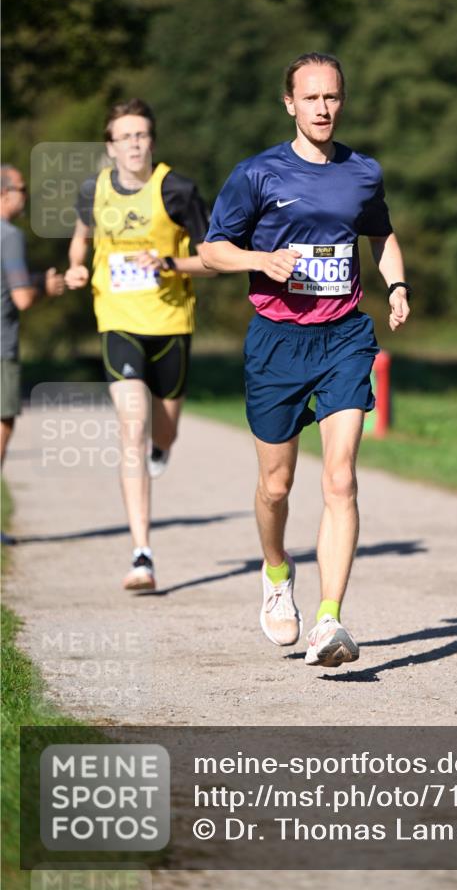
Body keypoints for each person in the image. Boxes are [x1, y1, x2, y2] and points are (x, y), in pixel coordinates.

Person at [200, 52, 410, 668]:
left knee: (340, 476)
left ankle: (329, 620)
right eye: (311, 98)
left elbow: (382, 233)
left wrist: (397, 286)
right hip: (276, 340)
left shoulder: (363, 172)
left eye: (333, 97)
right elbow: (212, 250)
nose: (323, 108)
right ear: (290, 104)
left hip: (344, 335)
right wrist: (259, 261)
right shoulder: (257, 175)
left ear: (342, 102)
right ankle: (274, 571)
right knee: (276, 484)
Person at [65, 99, 214, 588]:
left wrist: (171, 264)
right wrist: (76, 266)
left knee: (161, 432)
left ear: (152, 141)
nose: (134, 143)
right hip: (118, 320)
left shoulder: (178, 189)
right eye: (124, 136)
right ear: (110, 146)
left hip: (171, 323)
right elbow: (82, 236)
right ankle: (142, 554)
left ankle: (162, 447)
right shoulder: (93, 190)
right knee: (131, 428)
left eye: (141, 135)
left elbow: (214, 254)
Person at [1, 164, 65, 472]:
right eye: (21, 190)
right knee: (2, 424)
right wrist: (46, 287)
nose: (26, 196)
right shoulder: (9, 235)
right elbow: (22, 298)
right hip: (1, 348)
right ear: (3, 194)